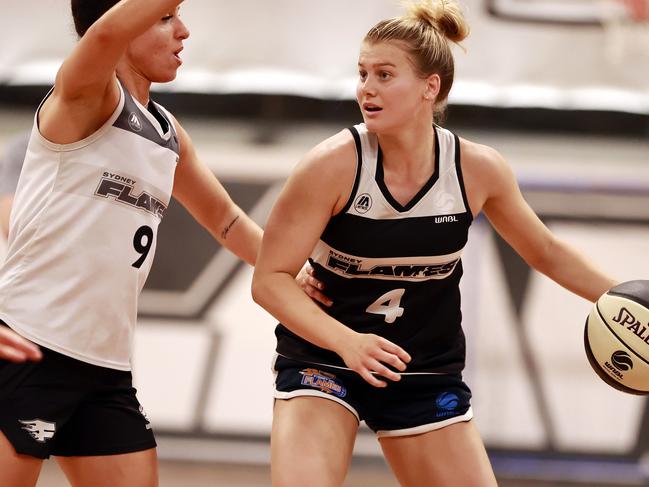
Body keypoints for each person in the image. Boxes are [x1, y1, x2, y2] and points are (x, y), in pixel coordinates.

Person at [251, 1, 618, 485]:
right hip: (325, 360)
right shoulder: (331, 165)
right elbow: (269, 281)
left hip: (423, 369)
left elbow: (545, 252)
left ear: (431, 87)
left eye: (385, 74)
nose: (367, 88)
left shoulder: (477, 168)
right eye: (362, 73)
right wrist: (349, 343)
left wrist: (627, 295)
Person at [0, 1, 325, 486]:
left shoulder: (169, 133)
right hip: (26, 348)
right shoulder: (87, 94)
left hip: (104, 369)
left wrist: (288, 271)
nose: (184, 32)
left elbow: (227, 221)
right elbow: (105, 35)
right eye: (166, 18)